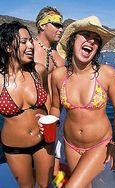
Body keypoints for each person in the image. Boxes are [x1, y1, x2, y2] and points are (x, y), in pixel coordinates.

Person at [50, 16, 115, 187]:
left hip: (99, 145)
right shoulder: (58, 76)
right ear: (72, 40)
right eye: (85, 34)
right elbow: (55, 108)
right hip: (70, 145)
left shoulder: (107, 73)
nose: (91, 41)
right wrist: (47, 123)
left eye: (96, 39)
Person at [0, 21, 54, 187]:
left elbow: (48, 93)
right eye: (24, 42)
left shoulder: (38, 71)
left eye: (30, 40)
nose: (31, 45)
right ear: (8, 47)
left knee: (45, 185)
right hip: (15, 147)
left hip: (44, 140)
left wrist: (51, 117)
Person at [34, 6, 65, 177]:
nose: (61, 29)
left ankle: (55, 180)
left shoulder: (56, 53)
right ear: (42, 25)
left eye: (62, 25)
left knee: (55, 154)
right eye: (56, 24)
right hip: (38, 117)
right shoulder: (27, 49)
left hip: (58, 114)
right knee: (40, 161)